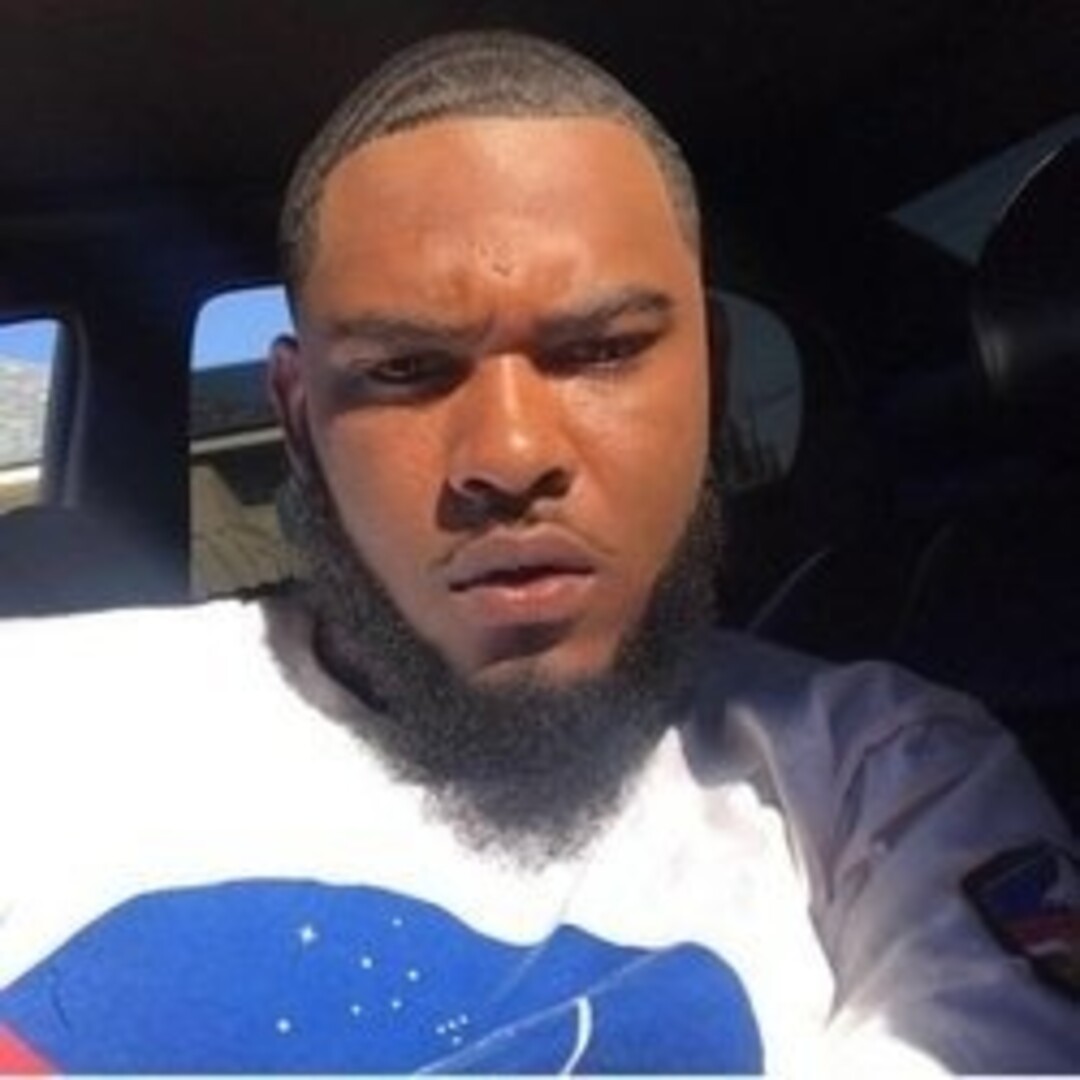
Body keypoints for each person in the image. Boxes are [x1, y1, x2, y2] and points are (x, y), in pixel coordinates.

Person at [0, 30, 1077, 1076]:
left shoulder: (888, 785)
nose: (511, 456)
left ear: (711, 374)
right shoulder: (40, 714)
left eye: (601, 350)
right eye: (406, 369)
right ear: (297, 417)